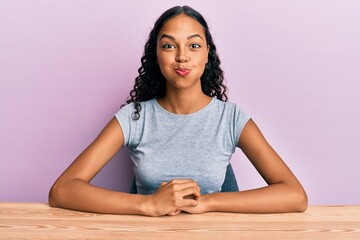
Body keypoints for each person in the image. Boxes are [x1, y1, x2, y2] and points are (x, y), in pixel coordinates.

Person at [49, 5, 307, 217]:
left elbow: (295, 195)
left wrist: (207, 202)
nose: (182, 56)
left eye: (193, 45)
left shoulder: (230, 119)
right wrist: (148, 204)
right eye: (169, 46)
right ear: (156, 55)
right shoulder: (134, 117)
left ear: (208, 54)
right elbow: (62, 190)